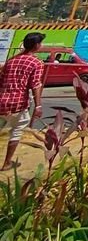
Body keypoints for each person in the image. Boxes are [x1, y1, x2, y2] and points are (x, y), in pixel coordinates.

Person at [0, 32, 46, 170]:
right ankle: (7, 162)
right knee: (17, 129)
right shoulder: (36, 63)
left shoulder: (11, 61)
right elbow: (36, 85)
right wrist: (38, 106)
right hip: (18, 103)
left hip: (1, 100)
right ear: (37, 45)